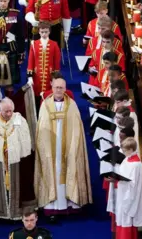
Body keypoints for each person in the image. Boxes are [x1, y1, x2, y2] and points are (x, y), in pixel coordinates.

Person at [35, 78, 92, 221]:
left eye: (61, 88)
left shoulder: (72, 105)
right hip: (51, 148)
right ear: (52, 88)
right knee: (52, 170)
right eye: (56, 87)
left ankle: (70, 203)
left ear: (65, 88)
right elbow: (41, 128)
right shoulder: (45, 105)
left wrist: (74, 145)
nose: (59, 90)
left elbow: (77, 129)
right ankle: (52, 206)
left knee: (69, 168)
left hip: (68, 148)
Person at [0, 98, 36, 219]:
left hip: (16, 163)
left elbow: (26, 142)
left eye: (10, 111)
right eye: (6, 111)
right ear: (0, 110)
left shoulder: (20, 120)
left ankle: (16, 212)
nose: (9, 114)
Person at [109, 137, 142, 239]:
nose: (124, 153)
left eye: (125, 151)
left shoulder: (136, 165)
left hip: (129, 199)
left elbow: (133, 185)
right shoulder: (127, 159)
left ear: (131, 150)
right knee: (122, 221)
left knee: (127, 223)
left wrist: (118, 181)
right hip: (123, 194)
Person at [27, 22, 61, 97]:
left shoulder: (54, 44)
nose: (44, 34)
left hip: (50, 74)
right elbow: (30, 60)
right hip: (37, 75)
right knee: (36, 94)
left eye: (46, 32)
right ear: (39, 32)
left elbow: (57, 61)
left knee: (48, 94)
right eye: (42, 32)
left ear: (49, 32)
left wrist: (56, 77)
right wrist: (30, 77)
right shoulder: (34, 44)